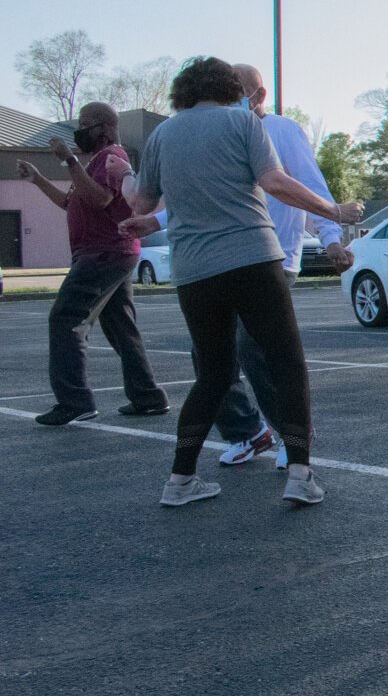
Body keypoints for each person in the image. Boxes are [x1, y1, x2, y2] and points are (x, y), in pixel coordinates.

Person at [123, 57, 362, 509]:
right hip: (253, 260)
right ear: (232, 89)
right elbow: (275, 182)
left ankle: (179, 481)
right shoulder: (244, 124)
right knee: (286, 364)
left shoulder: (162, 136)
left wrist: (126, 178)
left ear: (183, 91)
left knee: (212, 374)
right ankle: (299, 473)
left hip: (195, 270)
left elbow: (141, 201)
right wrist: (332, 212)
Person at [199, 63, 353, 467]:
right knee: (210, 352)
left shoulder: (283, 131)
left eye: (239, 93)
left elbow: (308, 186)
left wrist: (332, 237)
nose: (232, 101)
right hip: (224, 256)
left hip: (275, 256)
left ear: (258, 95)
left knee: (254, 346)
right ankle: (247, 432)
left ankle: (292, 432)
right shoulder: (220, 133)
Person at [16, 103, 167, 425]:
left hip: (104, 252)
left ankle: (75, 402)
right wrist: (39, 179)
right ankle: (148, 397)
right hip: (110, 252)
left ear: (105, 128)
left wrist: (68, 160)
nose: (79, 131)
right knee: (122, 329)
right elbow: (71, 202)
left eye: (86, 124)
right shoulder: (94, 162)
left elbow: (101, 199)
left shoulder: (114, 156)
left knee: (65, 318)